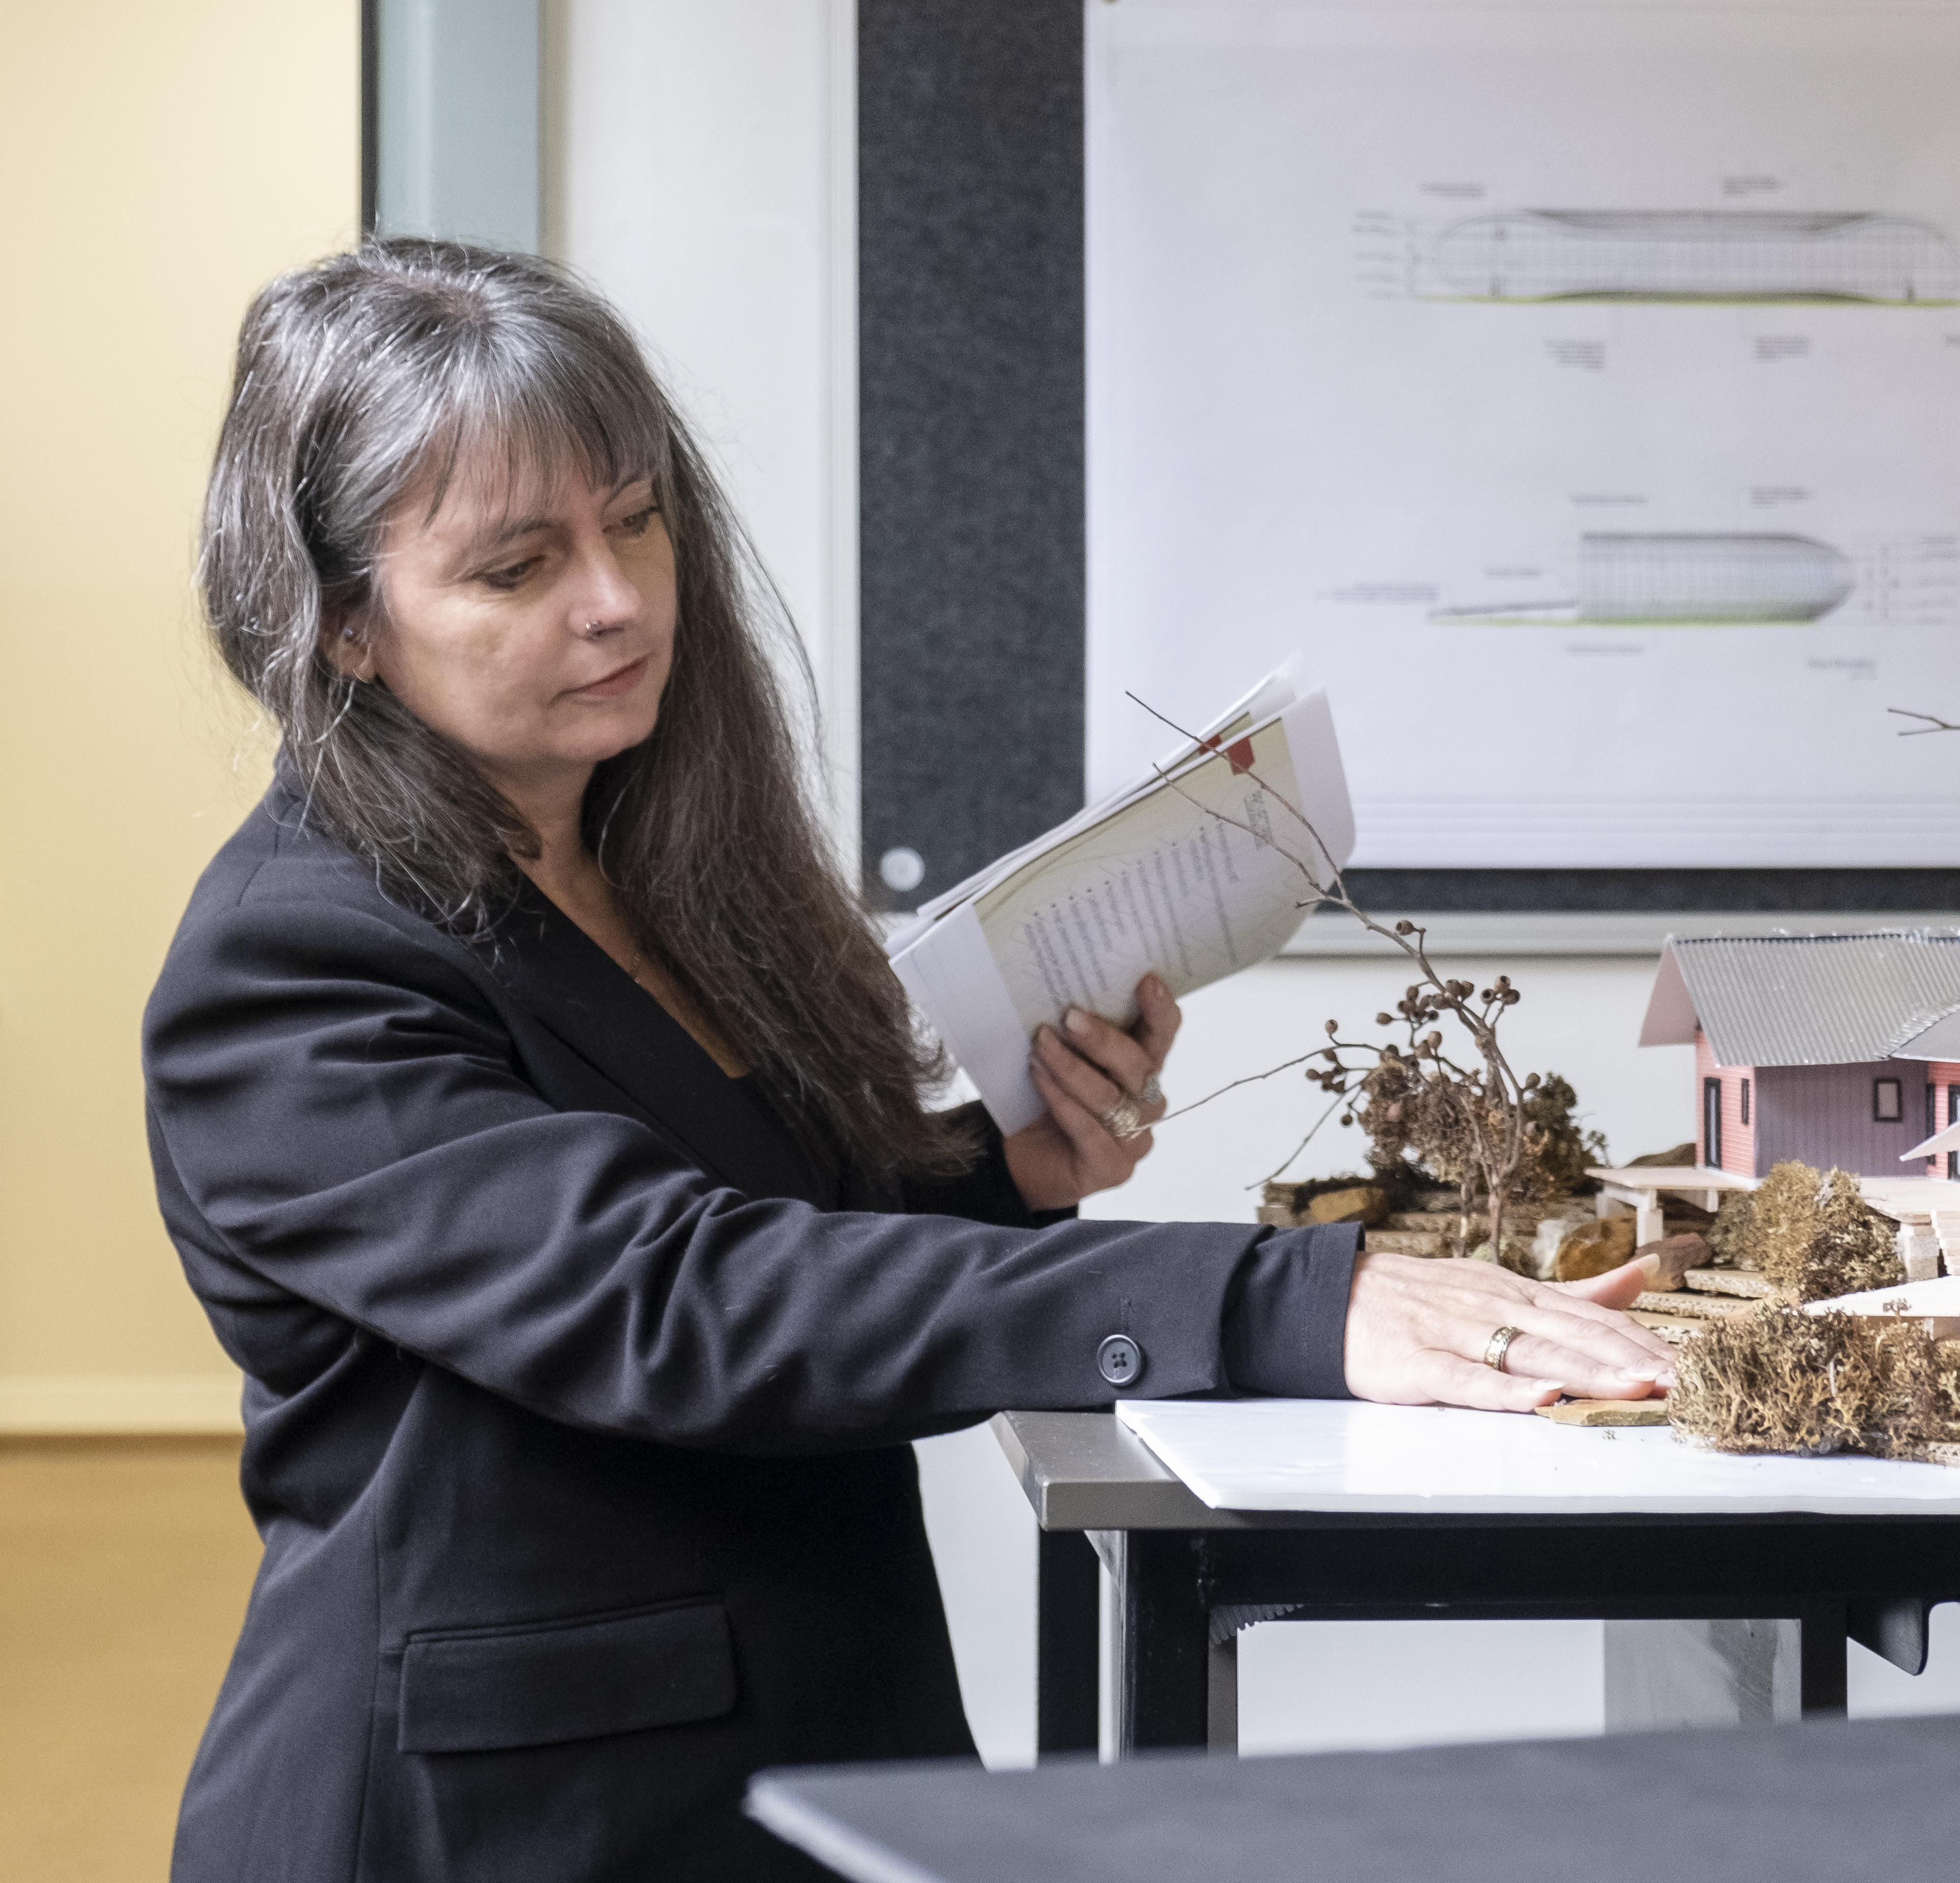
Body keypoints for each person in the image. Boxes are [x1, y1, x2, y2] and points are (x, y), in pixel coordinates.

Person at [147, 240, 1676, 1882]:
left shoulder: (637, 860)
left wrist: (999, 1177)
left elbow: (766, 1211)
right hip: (491, 1822)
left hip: (791, 1756)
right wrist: (1278, 1299)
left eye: (640, 518)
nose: (618, 598)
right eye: (517, 567)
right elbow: (680, 1299)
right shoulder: (289, 960)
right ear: (347, 631)